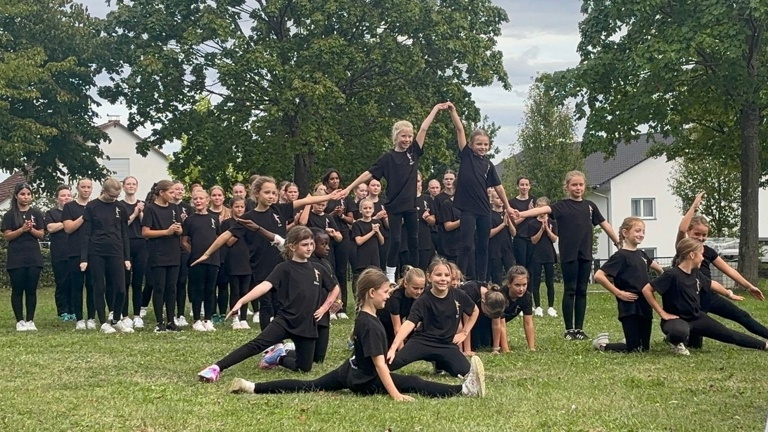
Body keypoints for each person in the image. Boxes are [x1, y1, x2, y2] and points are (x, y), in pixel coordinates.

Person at [227, 268, 486, 400]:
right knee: (414, 381)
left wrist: (395, 349)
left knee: (309, 385)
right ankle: (463, 390)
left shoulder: (365, 316)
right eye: (385, 291)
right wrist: (395, 394)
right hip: (363, 380)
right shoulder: (371, 325)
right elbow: (380, 367)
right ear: (372, 293)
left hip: (348, 370)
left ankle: (251, 387)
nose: (388, 295)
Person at [190, 176, 344, 330]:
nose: (271, 196)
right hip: (261, 265)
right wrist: (207, 254)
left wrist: (329, 196)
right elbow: (226, 235)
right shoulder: (248, 217)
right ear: (256, 193)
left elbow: (305, 201)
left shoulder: (279, 209)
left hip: (283, 263)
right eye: (267, 192)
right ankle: (269, 341)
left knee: (282, 302)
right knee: (266, 304)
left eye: (274, 193)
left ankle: (282, 335)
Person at [197, 226, 337, 381]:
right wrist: (242, 301)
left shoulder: (318, 268)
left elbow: (334, 287)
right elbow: (264, 286)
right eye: (305, 244)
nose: (310, 248)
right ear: (292, 246)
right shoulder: (284, 268)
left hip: (307, 324)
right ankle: (216, 368)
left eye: (311, 244)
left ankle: (278, 357)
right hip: (285, 321)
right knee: (256, 345)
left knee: (304, 368)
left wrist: (325, 307)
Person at [342, 104, 448, 282]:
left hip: (410, 204)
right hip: (395, 204)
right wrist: (348, 188)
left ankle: (415, 271)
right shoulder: (388, 158)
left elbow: (424, 127)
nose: (407, 139)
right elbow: (369, 173)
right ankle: (390, 274)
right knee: (396, 240)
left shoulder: (413, 153)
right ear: (396, 137)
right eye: (403, 136)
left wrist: (436, 109)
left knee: (414, 239)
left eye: (409, 136)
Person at [513, 170, 620, 340]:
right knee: (570, 290)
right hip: (569, 255)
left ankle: (579, 329)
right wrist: (522, 214)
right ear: (567, 187)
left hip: (585, 254)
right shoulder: (561, 206)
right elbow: (542, 210)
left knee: (582, 291)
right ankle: (569, 329)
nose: (578, 188)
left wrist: (617, 241)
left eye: (581, 185)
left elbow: (604, 223)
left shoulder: (590, 206)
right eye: (574, 185)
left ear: (584, 186)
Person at [642, 238, 768, 355]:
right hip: (676, 320)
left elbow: (711, 284)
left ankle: (764, 345)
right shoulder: (672, 274)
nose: (703, 258)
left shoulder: (696, 273)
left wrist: (729, 294)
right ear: (692, 255)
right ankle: (675, 342)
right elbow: (647, 289)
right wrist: (662, 313)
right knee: (679, 332)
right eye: (701, 254)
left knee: (729, 334)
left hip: (696, 317)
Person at [675, 192, 767, 347]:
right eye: (697, 233)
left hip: (709, 295)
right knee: (695, 344)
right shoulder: (683, 248)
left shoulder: (709, 251)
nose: (701, 238)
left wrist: (749, 286)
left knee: (741, 315)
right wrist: (694, 206)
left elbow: (729, 270)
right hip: (691, 300)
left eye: (704, 235)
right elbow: (682, 228)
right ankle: (679, 336)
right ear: (689, 232)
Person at [449, 103, 515, 282]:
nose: (482, 147)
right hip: (467, 208)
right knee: (467, 245)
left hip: (484, 209)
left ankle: (481, 280)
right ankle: (460, 278)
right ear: (471, 145)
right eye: (479, 144)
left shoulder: (488, 165)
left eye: (486, 144)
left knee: (483, 245)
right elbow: (460, 129)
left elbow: (499, 187)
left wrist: (508, 207)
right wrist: (454, 111)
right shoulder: (467, 155)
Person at [386, 258, 479, 378]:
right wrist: (393, 348)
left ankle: (440, 363)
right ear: (429, 277)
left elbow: (475, 311)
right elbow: (409, 323)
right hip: (422, 342)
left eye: (446, 275)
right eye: (438, 275)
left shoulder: (459, 295)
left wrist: (464, 333)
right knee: (389, 363)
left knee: (466, 372)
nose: (443, 279)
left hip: (446, 344)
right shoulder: (423, 299)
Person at [592, 217, 664, 353]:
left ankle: (630, 340)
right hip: (629, 305)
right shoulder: (620, 256)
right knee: (634, 349)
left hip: (645, 304)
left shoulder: (642, 254)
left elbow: (659, 270)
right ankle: (602, 345)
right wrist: (618, 293)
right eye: (637, 231)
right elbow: (599, 275)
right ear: (625, 233)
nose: (641, 234)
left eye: (643, 231)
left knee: (644, 349)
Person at [80, 178, 133, 334]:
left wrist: (127, 257)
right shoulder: (92, 207)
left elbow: (124, 234)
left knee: (121, 289)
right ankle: (103, 322)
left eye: (117, 196)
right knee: (99, 287)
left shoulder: (120, 207)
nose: (114, 198)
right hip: (96, 251)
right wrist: (84, 258)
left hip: (116, 251)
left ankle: (116, 319)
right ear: (103, 191)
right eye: (111, 195)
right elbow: (86, 234)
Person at [2, 183, 45, 331]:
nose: (26, 197)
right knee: (18, 289)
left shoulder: (36, 213)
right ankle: (19, 320)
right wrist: (22, 229)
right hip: (16, 256)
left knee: (31, 289)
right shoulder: (9, 215)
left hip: (33, 256)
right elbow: (7, 236)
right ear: (16, 196)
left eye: (28, 194)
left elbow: (41, 234)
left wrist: (31, 229)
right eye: (22, 194)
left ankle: (30, 320)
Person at [142, 180, 183, 332]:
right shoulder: (151, 209)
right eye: (171, 192)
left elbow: (180, 229)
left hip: (173, 252)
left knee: (171, 288)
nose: (174, 195)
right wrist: (165, 232)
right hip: (158, 253)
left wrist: (178, 230)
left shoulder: (174, 208)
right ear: (161, 192)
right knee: (159, 287)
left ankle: (171, 321)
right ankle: (160, 322)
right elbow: (145, 232)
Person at [182, 188, 221, 332]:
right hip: (196, 261)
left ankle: (208, 319)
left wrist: (212, 252)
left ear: (207, 200)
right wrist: (194, 253)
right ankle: (197, 319)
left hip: (213, 260)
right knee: (197, 289)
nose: (198, 201)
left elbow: (218, 237)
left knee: (210, 290)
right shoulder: (189, 220)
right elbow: (184, 241)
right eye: (195, 199)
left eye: (201, 198)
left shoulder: (214, 219)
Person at [63, 179, 96, 330]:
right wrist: (84, 216)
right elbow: (68, 228)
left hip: (93, 251)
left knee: (92, 285)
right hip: (75, 251)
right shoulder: (69, 207)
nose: (86, 190)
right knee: (77, 285)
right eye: (83, 187)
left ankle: (91, 317)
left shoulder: (96, 206)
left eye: (89, 187)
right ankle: (79, 319)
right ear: (77, 188)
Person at [221, 197, 252, 329]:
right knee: (235, 290)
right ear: (231, 207)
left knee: (245, 291)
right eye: (237, 207)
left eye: (242, 207)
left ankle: (244, 318)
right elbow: (227, 242)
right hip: (233, 260)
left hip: (248, 259)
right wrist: (240, 230)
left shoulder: (249, 223)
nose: (239, 209)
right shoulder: (227, 223)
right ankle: (235, 317)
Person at [121, 176, 147, 329]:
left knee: (138, 282)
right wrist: (135, 213)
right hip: (125, 244)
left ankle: (137, 315)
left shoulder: (142, 204)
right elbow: (123, 225)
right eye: (128, 184)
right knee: (124, 281)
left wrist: (142, 213)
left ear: (137, 187)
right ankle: (124, 315)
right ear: (123, 187)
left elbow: (146, 225)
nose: (131, 186)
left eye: (133, 184)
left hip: (141, 244)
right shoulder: (120, 205)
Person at [378, 266, 426, 346]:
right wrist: (401, 351)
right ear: (406, 284)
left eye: (422, 288)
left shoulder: (417, 296)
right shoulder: (395, 298)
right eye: (415, 288)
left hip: (397, 324)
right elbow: (397, 328)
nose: (419, 292)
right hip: (383, 325)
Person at [45, 185, 73, 322]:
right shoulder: (51, 213)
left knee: (75, 282)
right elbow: (50, 228)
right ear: (57, 199)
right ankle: (63, 311)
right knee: (62, 282)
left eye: (68, 195)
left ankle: (74, 310)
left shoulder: (76, 212)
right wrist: (67, 223)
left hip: (74, 252)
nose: (66, 198)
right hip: (59, 253)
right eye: (63, 195)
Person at [457, 280, 507, 353]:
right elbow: (466, 323)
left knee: (486, 343)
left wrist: (495, 348)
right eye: (489, 314)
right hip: (462, 316)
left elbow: (496, 325)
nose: (491, 317)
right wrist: (468, 350)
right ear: (483, 302)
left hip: (480, 318)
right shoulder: (470, 292)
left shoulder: (496, 296)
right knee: (474, 345)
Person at [495, 266, 536, 353]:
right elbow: (501, 324)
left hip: (499, 325)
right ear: (509, 283)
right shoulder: (500, 295)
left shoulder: (527, 297)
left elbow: (528, 323)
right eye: (517, 285)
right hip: (488, 324)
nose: (521, 289)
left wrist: (532, 348)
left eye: (524, 285)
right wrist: (506, 350)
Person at [529, 197, 558, 317]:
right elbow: (533, 240)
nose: (541, 210)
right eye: (539, 207)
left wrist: (547, 230)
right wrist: (541, 230)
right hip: (536, 255)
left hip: (549, 254)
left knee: (549, 281)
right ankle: (538, 306)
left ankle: (551, 307)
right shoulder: (532, 223)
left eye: (543, 207)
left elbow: (555, 239)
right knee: (536, 281)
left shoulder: (553, 222)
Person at [171, 180, 194, 328]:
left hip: (184, 249)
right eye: (176, 189)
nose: (179, 191)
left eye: (181, 189)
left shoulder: (188, 208)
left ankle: (181, 314)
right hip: (170, 249)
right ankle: (171, 314)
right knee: (171, 283)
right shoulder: (168, 207)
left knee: (181, 282)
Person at [351, 198, 384, 286]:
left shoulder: (377, 222)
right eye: (365, 208)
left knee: (375, 284)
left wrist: (378, 232)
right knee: (365, 284)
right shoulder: (357, 224)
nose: (368, 210)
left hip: (375, 259)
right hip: (362, 260)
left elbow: (382, 241)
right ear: (360, 210)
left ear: (373, 209)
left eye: (370, 208)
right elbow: (359, 241)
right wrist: (372, 232)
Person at [488, 190, 516, 285]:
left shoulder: (508, 213)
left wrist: (509, 222)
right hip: (495, 249)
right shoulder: (489, 215)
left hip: (507, 248)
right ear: (492, 200)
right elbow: (489, 234)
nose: (500, 200)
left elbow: (514, 233)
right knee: (497, 277)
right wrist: (503, 224)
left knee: (512, 274)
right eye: (497, 198)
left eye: (502, 198)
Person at [510, 177, 536, 269]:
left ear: (529, 187)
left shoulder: (534, 200)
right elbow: (513, 222)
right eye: (522, 185)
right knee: (521, 266)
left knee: (532, 266)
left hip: (533, 237)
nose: (524, 187)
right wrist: (528, 212)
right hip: (519, 237)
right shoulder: (512, 202)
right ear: (517, 187)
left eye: (526, 185)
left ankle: (531, 284)